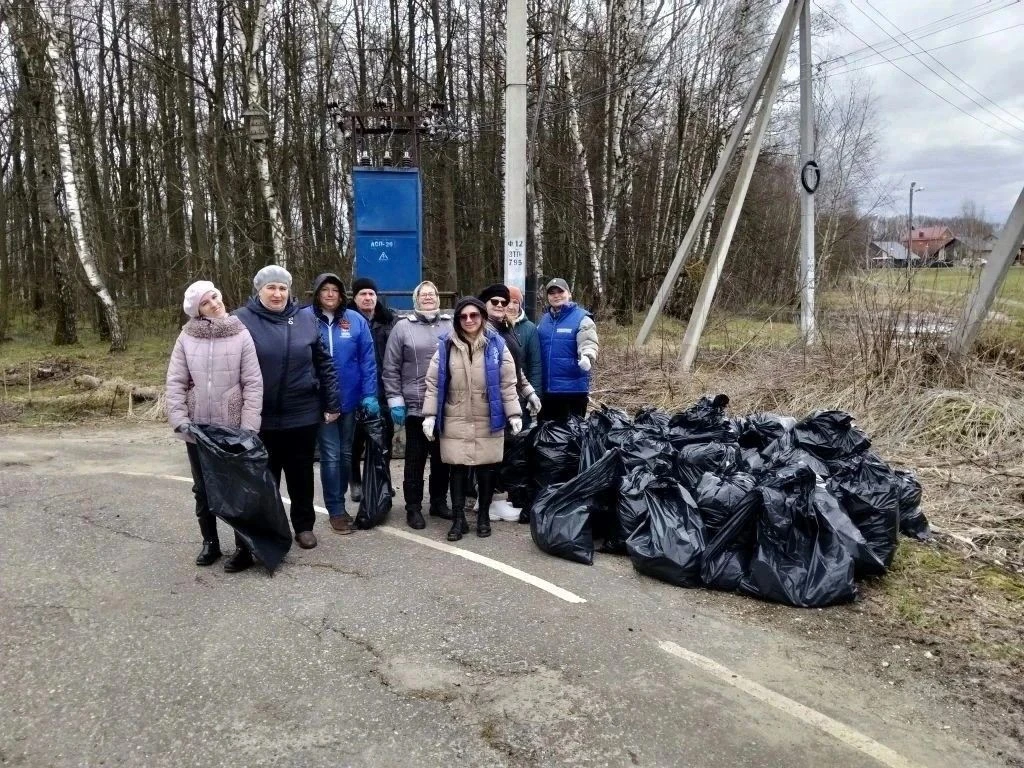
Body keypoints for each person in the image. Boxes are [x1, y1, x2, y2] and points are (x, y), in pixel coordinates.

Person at [234, 265, 341, 569]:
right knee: (263, 479)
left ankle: (304, 527)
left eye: (282, 288)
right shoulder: (241, 320)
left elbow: (324, 363)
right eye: (271, 287)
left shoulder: (306, 319)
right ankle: (268, 532)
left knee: (301, 475)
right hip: (259, 416)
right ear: (259, 290)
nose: (277, 293)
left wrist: (332, 402)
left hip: (301, 413)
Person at [165, 281, 263, 570]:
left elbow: (253, 382)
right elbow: (175, 381)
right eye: (206, 302)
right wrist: (180, 420)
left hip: (233, 426)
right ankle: (210, 543)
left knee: (236, 488)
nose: (214, 304)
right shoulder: (186, 337)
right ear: (198, 310)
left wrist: (249, 425)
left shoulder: (240, 332)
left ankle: (243, 547)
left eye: (215, 297)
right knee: (203, 489)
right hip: (198, 427)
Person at [422, 296, 522, 541]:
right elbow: (433, 383)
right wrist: (430, 415)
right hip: (455, 415)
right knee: (456, 468)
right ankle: (458, 519)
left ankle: (483, 517)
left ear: (482, 317)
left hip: (488, 415)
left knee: (487, 469)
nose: (469, 320)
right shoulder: (446, 345)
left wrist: (514, 413)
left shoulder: (497, 345)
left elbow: (508, 383)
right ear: (457, 320)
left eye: (474, 315)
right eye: (463, 316)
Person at [301, 273, 378, 535]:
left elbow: (367, 360)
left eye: (335, 289)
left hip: (350, 398)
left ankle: (341, 502)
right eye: (325, 289)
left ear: (342, 294)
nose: (330, 294)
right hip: (320, 401)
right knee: (331, 455)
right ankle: (335, 509)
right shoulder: (305, 319)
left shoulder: (355, 320)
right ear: (317, 293)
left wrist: (369, 394)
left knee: (346, 453)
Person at [382, 281, 454, 529]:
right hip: (415, 406)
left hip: (445, 405)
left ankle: (438, 502)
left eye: (432, 294)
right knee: (415, 459)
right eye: (423, 295)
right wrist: (395, 400)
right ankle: (413, 507)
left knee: (442, 458)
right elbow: (390, 367)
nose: (428, 298)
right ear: (416, 299)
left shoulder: (450, 325)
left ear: (438, 298)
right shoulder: (402, 327)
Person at [347, 277, 397, 504]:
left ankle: (382, 480)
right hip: (354, 391)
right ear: (355, 297)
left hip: (383, 389)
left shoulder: (389, 321)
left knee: (384, 440)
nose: (367, 298)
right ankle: (355, 482)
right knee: (355, 441)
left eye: (371, 294)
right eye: (363, 294)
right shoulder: (346, 320)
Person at [536, 278, 599, 421]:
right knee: (545, 432)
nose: (556, 296)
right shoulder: (543, 320)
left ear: (569, 293)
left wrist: (587, 356)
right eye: (552, 293)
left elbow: (588, 341)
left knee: (571, 433)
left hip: (572, 392)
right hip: (547, 392)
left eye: (560, 291)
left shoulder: (582, 318)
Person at [477, 283, 541, 423]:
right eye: (495, 301)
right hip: (488, 404)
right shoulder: (479, 332)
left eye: (504, 302)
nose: (500, 305)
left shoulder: (506, 328)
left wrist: (529, 392)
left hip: (511, 399)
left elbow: (513, 367)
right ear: (485, 304)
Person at [507, 285, 542, 424]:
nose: (511, 306)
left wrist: (535, 394)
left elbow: (536, 365)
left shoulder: (529, 329)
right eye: (507, 301)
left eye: (515, 302)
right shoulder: (492, 327)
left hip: (521, 395)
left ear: (520, 305)